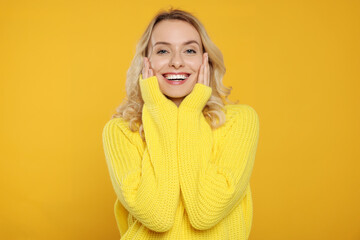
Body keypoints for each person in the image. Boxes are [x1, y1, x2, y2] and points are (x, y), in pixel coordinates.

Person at [102, 8, 259, 240]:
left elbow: (205, 212)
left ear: (205, 60)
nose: (176, 62)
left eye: (189, 50)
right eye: (163, 50)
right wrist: (158, 109)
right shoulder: (121, 131)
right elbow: (158, 216)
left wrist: (189, 111)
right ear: (147, 62)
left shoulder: (239, 122)